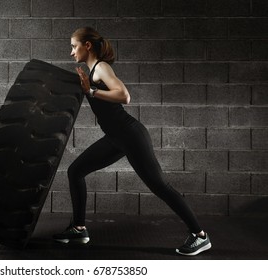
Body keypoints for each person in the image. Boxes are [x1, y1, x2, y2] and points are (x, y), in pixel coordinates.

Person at [52, 27, 212, 256]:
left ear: (87, 45)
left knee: (159, 186)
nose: (71, 52)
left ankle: (200, 236)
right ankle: (79, 229)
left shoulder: (101, 68)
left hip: (130, 135)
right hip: (116, 138)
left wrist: (92, 91)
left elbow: (124, 96)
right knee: (76, 171)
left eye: (74, 46)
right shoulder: (91, 72)